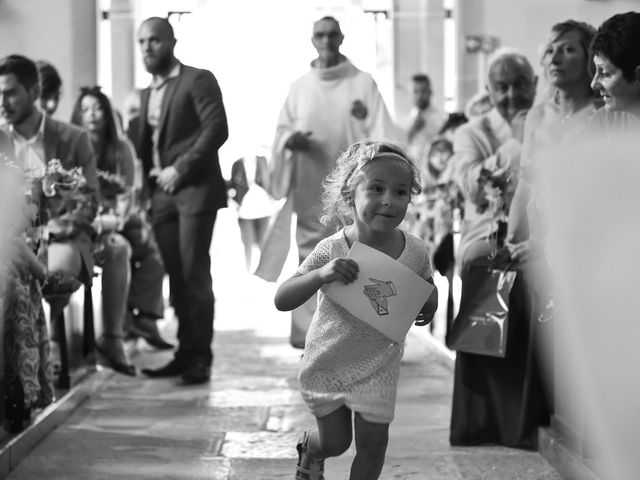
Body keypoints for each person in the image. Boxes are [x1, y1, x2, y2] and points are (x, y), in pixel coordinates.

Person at [275, 141, 437, 480]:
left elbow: (426, 285)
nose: (389, 201)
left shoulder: (416, 250)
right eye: (376, 188)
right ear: (351, 194)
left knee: (374, 445)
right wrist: (321, 275)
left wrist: (430, 303)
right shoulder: (333, 248)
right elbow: (283, 297)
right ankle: (312, 449)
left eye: (401, 192)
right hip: (330, 361)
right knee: (335, 442)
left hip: (380, 365)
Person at [270, 15, 398, 349]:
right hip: (311, 184)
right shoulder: (299, 87)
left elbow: (383, 132)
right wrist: (290, 142)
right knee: (312, 258)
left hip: (357, 188)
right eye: (320, 35)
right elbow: (282, 132)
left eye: (332, 35)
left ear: (342, 38)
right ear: (313, 40)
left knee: (360, 255)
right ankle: (310, 335)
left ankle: (361, 333)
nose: (326, 41)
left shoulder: (363, 83)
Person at [449, 49, 549, 449]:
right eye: (501, 87)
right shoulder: (471, 132)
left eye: (520, 84)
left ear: (536, 85)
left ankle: (540, 405)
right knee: (482, 265)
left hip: (542, 228)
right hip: (487, 233)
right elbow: (472, 185)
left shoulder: (550, 121)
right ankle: (489, 410)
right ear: (489, 91)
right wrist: (520, 139)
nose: (511, 95)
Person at [135, 17, 229, 385]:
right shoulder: (146, 93)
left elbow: (217, 128)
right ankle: (184, 352)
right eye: (142, 41)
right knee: (175, 277)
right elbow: (147, 148)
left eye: (154, 40)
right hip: (161, 197)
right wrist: (146, 190)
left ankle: (201, 357)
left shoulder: (197, 79)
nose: (147, 47)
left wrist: (180, 169)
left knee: (194, 273)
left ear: (172, 41)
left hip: (193, 191)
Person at [0, 54, 98, 333]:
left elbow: (90, 199)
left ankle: (51, 341)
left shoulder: (74, 138)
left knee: (58, 264)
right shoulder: (0, 141)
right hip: (14, 236)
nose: (2, 103)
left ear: (34, 92)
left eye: (9, 94)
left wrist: (58, 225)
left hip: (61, 236)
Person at [70, 86, 172, 354]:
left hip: (118, 220)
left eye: (97, 108)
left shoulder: (121, 147)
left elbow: (128, 193)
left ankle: (142, 318)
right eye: (85, 110)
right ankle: (135, 321)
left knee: (155, 254)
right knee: (125, 248)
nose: (92, 115)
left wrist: (116, 219)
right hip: (87, 221)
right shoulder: (72, 145)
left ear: (107, 110)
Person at [508, 20, 597, 255]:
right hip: (538, 230)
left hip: (584, 235)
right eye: (550, 50)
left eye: (567, 50)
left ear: (590, 58)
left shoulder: (603, 115)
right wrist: (512, 239)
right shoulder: (536, 116)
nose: (555, 59)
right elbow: (524, 186)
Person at [227, 152, 276, 271]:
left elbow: (271, 182)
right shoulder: (237, 164)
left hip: (264, 209)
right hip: (245, 210)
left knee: (264, 242)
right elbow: (232, 186)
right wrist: (235, 202)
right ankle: (248, 269)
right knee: (247, 242)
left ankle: (264, 271)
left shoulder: (263, 160)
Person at [402, 73, 447, 164]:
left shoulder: (442, 119)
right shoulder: (403, 121)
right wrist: (412, 131)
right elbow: (400, 147)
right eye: (415, 91)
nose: (420, 95)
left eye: (423, 91)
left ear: (430, 92)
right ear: (409, 93)